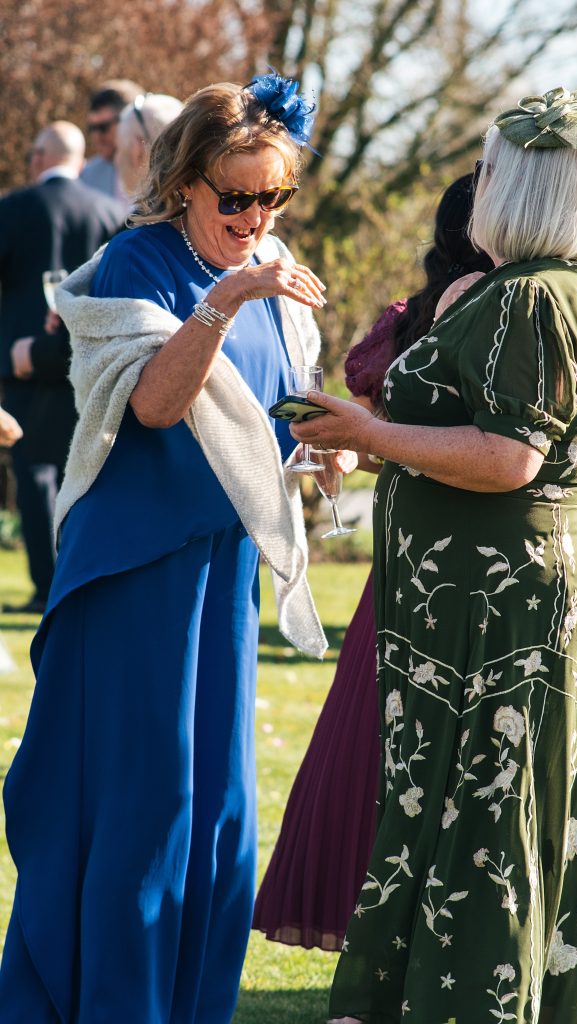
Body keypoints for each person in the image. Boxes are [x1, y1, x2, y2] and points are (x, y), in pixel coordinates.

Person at [293, 80, 577, 1024]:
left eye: (494, 171)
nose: (479, 186)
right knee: (504, 821)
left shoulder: (531, 297)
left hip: (501, 613)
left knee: (484, 829)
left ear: (522, 189)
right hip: (526, 599)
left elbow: (510, 458)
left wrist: (372, 435)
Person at [0, 73, 328, 1024]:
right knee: (147, 808)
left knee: (221, 813)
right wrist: (226, 297)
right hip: (136, 572)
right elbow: (153, 403)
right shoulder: (132, 263)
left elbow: (267, 410)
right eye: (236, 196)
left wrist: (322, 442)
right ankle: (113, 1003)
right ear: (185, 180)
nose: (255, 214)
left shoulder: (270, 270)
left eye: (273, 196)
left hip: (220, 571)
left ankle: (191, 1006)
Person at [253, 171, 494, 951]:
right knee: (387, 741)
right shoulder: (418, 320)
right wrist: (346, 442)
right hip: (422, 556)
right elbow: (387, 440)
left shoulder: (524, 312)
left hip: (464, 558)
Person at [0, 121, 123, 614]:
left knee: (34, 476)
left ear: (38, 157)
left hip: (24, 362)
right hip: (89, 365)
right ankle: (82, 575)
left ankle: (45, 584)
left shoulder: (13, 209)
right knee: (88, 471)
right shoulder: (113, 215)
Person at [81, 78, 144, 202]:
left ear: (130, 122)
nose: (96, 136)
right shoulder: (88, 176)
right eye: (92, 128)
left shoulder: (160, 173)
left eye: (103, 127)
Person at [115, 92, 184, 200]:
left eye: (119, 149)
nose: (116, 160)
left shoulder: (140, 215)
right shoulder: (198, 206)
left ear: (137, 152)